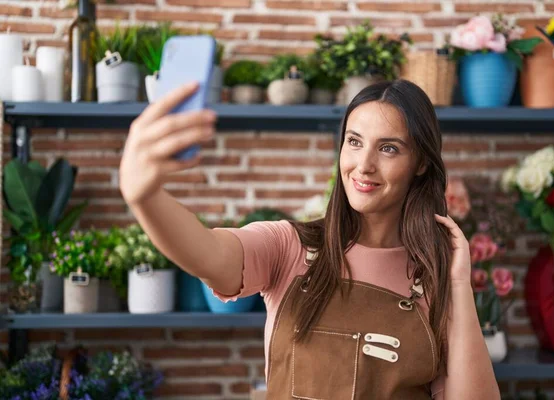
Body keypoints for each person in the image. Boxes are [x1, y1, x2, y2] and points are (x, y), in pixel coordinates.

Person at [119, 79, 501, 399]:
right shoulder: (289, 247)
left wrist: (457, 285)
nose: (363, 164)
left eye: (388, 148)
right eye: (354, 141)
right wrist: (145, 197)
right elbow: (208, 253)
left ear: (420, 163)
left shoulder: (436, 277)